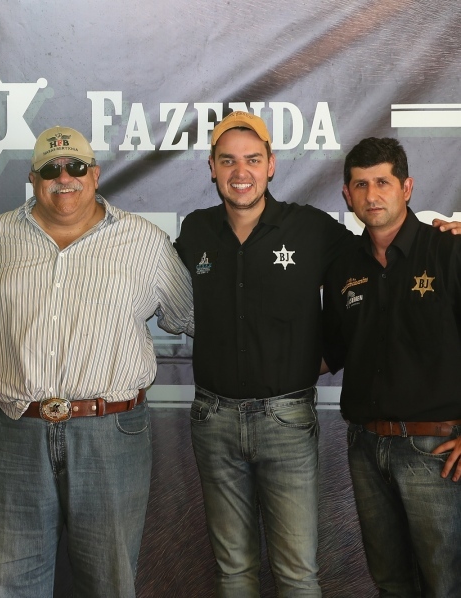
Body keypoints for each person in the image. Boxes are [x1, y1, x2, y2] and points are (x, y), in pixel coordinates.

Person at [0, 126, 195, 598]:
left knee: (109, 584)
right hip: (11, 430)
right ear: (33, 178)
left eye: (76, 167)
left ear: (95, 174)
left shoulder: (144, 242)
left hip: (111, 433)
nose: (65, 177)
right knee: (8, 586)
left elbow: (194, 318)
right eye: (50, 169)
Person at [174, 111, 354, 597]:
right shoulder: (196, 231)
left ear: (271, 165)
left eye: (253, 160)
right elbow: (149, 281)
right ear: (211, 167)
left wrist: (435, 241)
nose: (241, 172)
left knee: (297, 573)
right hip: (213, 420)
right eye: (228, 160)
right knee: (233, 572)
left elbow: (371, 272)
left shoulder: (310, 228)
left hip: (287, 421)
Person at [322, 137, 461, 597]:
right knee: (390, 584)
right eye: (360, 185)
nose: (372, 194)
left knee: (445, 584)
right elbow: (333, 351)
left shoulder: (447, 250)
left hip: (435, 449)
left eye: (383, 181)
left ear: (407, 187)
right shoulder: (343, 266)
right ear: (346, 195)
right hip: (365, 447)